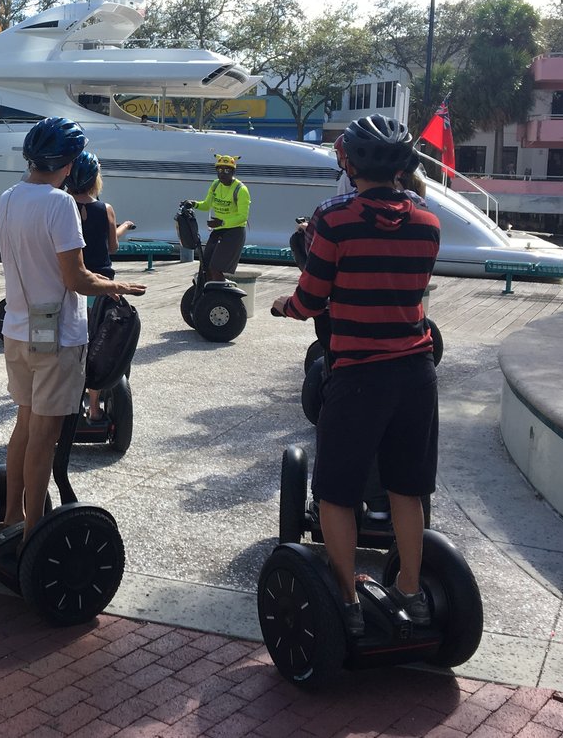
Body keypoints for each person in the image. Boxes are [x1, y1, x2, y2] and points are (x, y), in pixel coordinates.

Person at [270, 114, 441, 639]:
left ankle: (344, 601)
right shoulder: (428, 222)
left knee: (336, 495)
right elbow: (401, 288)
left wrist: (284, 306)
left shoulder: (333, 217)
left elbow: (312, 298)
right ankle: (411, 594)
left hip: (359, 372)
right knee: (406, 491)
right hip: (416, 371)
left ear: (350, 161)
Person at [0, 117, 146, 543]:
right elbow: (77, 279)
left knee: (24, 426)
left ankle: (10, 519)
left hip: (18, 330)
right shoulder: (59, 203)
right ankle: (33, 539)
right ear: (67, 163)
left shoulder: (7, 198)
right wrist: (117, 285)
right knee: (43, 439)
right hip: (58, 336)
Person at [65, 150, 135, 422]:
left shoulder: (63, 205)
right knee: (99, 346)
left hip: (73, 285)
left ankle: (72, 402)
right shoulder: (105, 209)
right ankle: (94, 408)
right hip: (102, 287)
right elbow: (112, 246)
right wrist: (123, 227)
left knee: (75, 345)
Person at [186, 154, 251, 280]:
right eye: (219, 170)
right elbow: (206, 205)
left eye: (226, 170)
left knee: (215, 268)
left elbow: (243, 217)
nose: (222, 174)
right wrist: (193, 204)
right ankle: (208, 294)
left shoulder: (241, 190)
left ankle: (222, 296)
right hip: (219, 229)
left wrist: (222, 222)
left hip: (234, 232)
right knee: (205, 266)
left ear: (233, 171)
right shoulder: (215, 185)